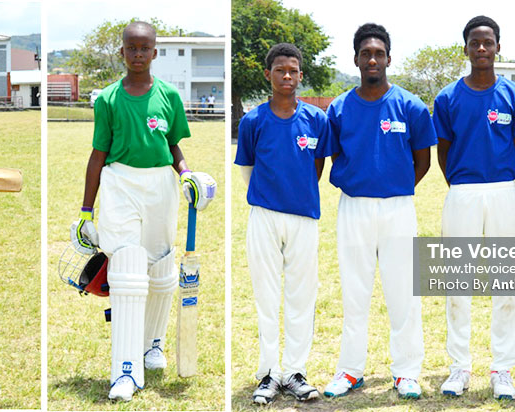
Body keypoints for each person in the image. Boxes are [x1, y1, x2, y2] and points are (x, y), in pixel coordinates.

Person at [70, 21, 216, 402]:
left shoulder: (168, 96)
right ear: (122, 53)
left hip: (160, 188)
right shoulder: (108, 99)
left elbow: (172, 147)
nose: (137, 54)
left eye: (144, 48)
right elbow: (98, 154)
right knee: (127, 269)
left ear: (154, 53)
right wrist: (87, 210)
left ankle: (154, 344)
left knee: (160, 267)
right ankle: (126, 370)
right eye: (131, 48)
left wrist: (186, 175)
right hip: (120, 183)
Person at [322, 23, 436, 399]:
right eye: (366, 53)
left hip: (398, 208)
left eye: (379, 53)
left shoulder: (411, 106)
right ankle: (351, 370)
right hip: (353, 207)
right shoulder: (339, 108)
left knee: (403, 292)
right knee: (355, 292)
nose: (373, 59)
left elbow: (423, 161)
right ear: (356, 59)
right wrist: (365, 183)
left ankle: (406, 372)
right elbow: (337, 155)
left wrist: (394, 189)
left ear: (389, 58)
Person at [432, 16, 515, 400]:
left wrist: (497, 179)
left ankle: (502, 369)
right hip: (462, 192)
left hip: (503, 191)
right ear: (466, 49)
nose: (481, 49)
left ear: (498, 48)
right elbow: (443, 151)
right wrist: (462, 183)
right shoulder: (448, 97)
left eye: (488, 43)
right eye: (474, 43)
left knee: (506, 281)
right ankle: (459, 367)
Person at [235, 43, 331, 405]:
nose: (287, 76)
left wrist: (295, 195)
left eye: (293, 70)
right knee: (266, 295)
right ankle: (269, 372)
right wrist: (269, 197)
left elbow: (318, 167)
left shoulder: (317, 120)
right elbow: (246, 169)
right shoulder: (253, 120)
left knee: (301, 295)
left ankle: (293, 370)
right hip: (264, 216)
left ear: (301, 75)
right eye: (280, 70)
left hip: (304, 217)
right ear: (268, 75)